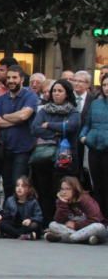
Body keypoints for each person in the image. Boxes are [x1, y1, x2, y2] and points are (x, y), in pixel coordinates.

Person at [29, 79, 80, 223]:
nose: (56, 94)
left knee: (62, 190)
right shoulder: (44, 109)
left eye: (60, 91)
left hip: (65, 158)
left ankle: (62, 221)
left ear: (67, 94)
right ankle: (47, 222)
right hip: (43, 158)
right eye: (54, 91)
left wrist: (49, 124)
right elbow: (35, 128)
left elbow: (72, 127)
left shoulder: (73, 111)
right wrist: (56, 133)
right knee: (44, 191)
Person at [0, 64, 39, 203]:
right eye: (9, 77)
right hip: (4, 149)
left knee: (19, 185)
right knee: (7, 185)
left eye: (14, 77)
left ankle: (19, 217)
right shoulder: (2, 99)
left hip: (23, 149)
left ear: (22, 79)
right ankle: (7, 216)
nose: (11, 80)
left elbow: (24, 115)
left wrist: (4, 116)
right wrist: (15, 119)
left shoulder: (30, 96)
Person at [45, 176, 107, 244]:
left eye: (67, 189)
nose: (64, 192)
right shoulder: (62, 201)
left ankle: (62, 238)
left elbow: (96, 219)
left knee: (98, 226)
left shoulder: (85, 199)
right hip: (74, 230)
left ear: (75, 189)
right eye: (62, 189)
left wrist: (76, 225)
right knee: (53, 224)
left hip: (91, 228)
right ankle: (86, 239)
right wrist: (62, 203)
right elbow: (59, 220)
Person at [80, 72, 108, 213]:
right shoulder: (96, 103)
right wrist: (83, 136)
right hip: (94, 149)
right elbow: (87, 123)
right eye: (104, 85)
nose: (106, 87)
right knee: (97, 185)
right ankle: (100, 218)